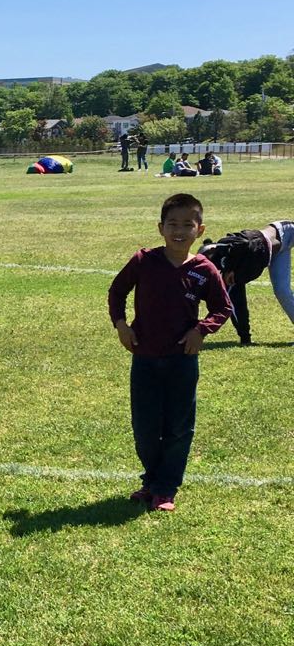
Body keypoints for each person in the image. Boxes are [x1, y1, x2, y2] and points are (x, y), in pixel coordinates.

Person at [107, 193, 232, 512]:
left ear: (200, 230)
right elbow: (117, 291)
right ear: (160, 227)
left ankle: (166, 488)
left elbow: (222, 307)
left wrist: (200, 329)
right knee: (145, 428)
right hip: (145, 357)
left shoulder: (204, 269)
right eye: (172, 224)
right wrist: (121, 324)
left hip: (182, 361)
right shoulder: (143, 261)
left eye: (187, 224)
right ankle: (151, 480)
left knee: (178, 427)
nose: (179, 231)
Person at [200, 221, 294, 344]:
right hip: (278, 252)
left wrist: (230, 267)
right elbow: (238, 305)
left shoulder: (226, 245)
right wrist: (245, 338)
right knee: (282, 291)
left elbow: (244, 242)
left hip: (286, 231)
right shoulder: (230, 277)